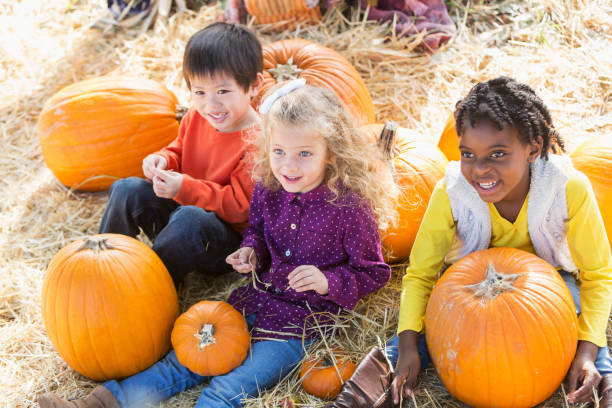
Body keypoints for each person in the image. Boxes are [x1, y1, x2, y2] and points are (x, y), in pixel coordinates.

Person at [38, 82, 398, 407]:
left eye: (305, 154)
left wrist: (326, 281)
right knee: (182, 363)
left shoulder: (349, 208)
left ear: (331, 153)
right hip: (256, 297)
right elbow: (255, 230)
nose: (288, 166)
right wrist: (251, 251)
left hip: (301, 325)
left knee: (226, 390)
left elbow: (373, 273)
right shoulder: (269, 186)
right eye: (278, 152)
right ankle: (94, 405)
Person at [328, 76, 612, 408]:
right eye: (468, 154)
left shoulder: (568, 188)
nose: (480, 170)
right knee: (415, 339)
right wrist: (408, 346)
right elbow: (421, 274)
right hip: (470, 286)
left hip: (551, 286)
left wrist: (589, 348)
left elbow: (598, 274)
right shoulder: (451, 193)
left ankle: (601, 380)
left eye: (498, 154)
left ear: (533, 149)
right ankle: (357, 399)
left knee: (584, 337)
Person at [97, 22, 263, 286]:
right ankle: (102, 262)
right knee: (127, 188)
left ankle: (148, 285)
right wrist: (163, 159)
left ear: (253, 86)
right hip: (182, 211)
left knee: (191, 217)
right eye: (200, 92)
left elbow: (238, 208)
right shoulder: (197, 115)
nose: (211, 104)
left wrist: (184, 187)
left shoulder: (257, 141)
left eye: (223, 91)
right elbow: (180, 149)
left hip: (220, 241)